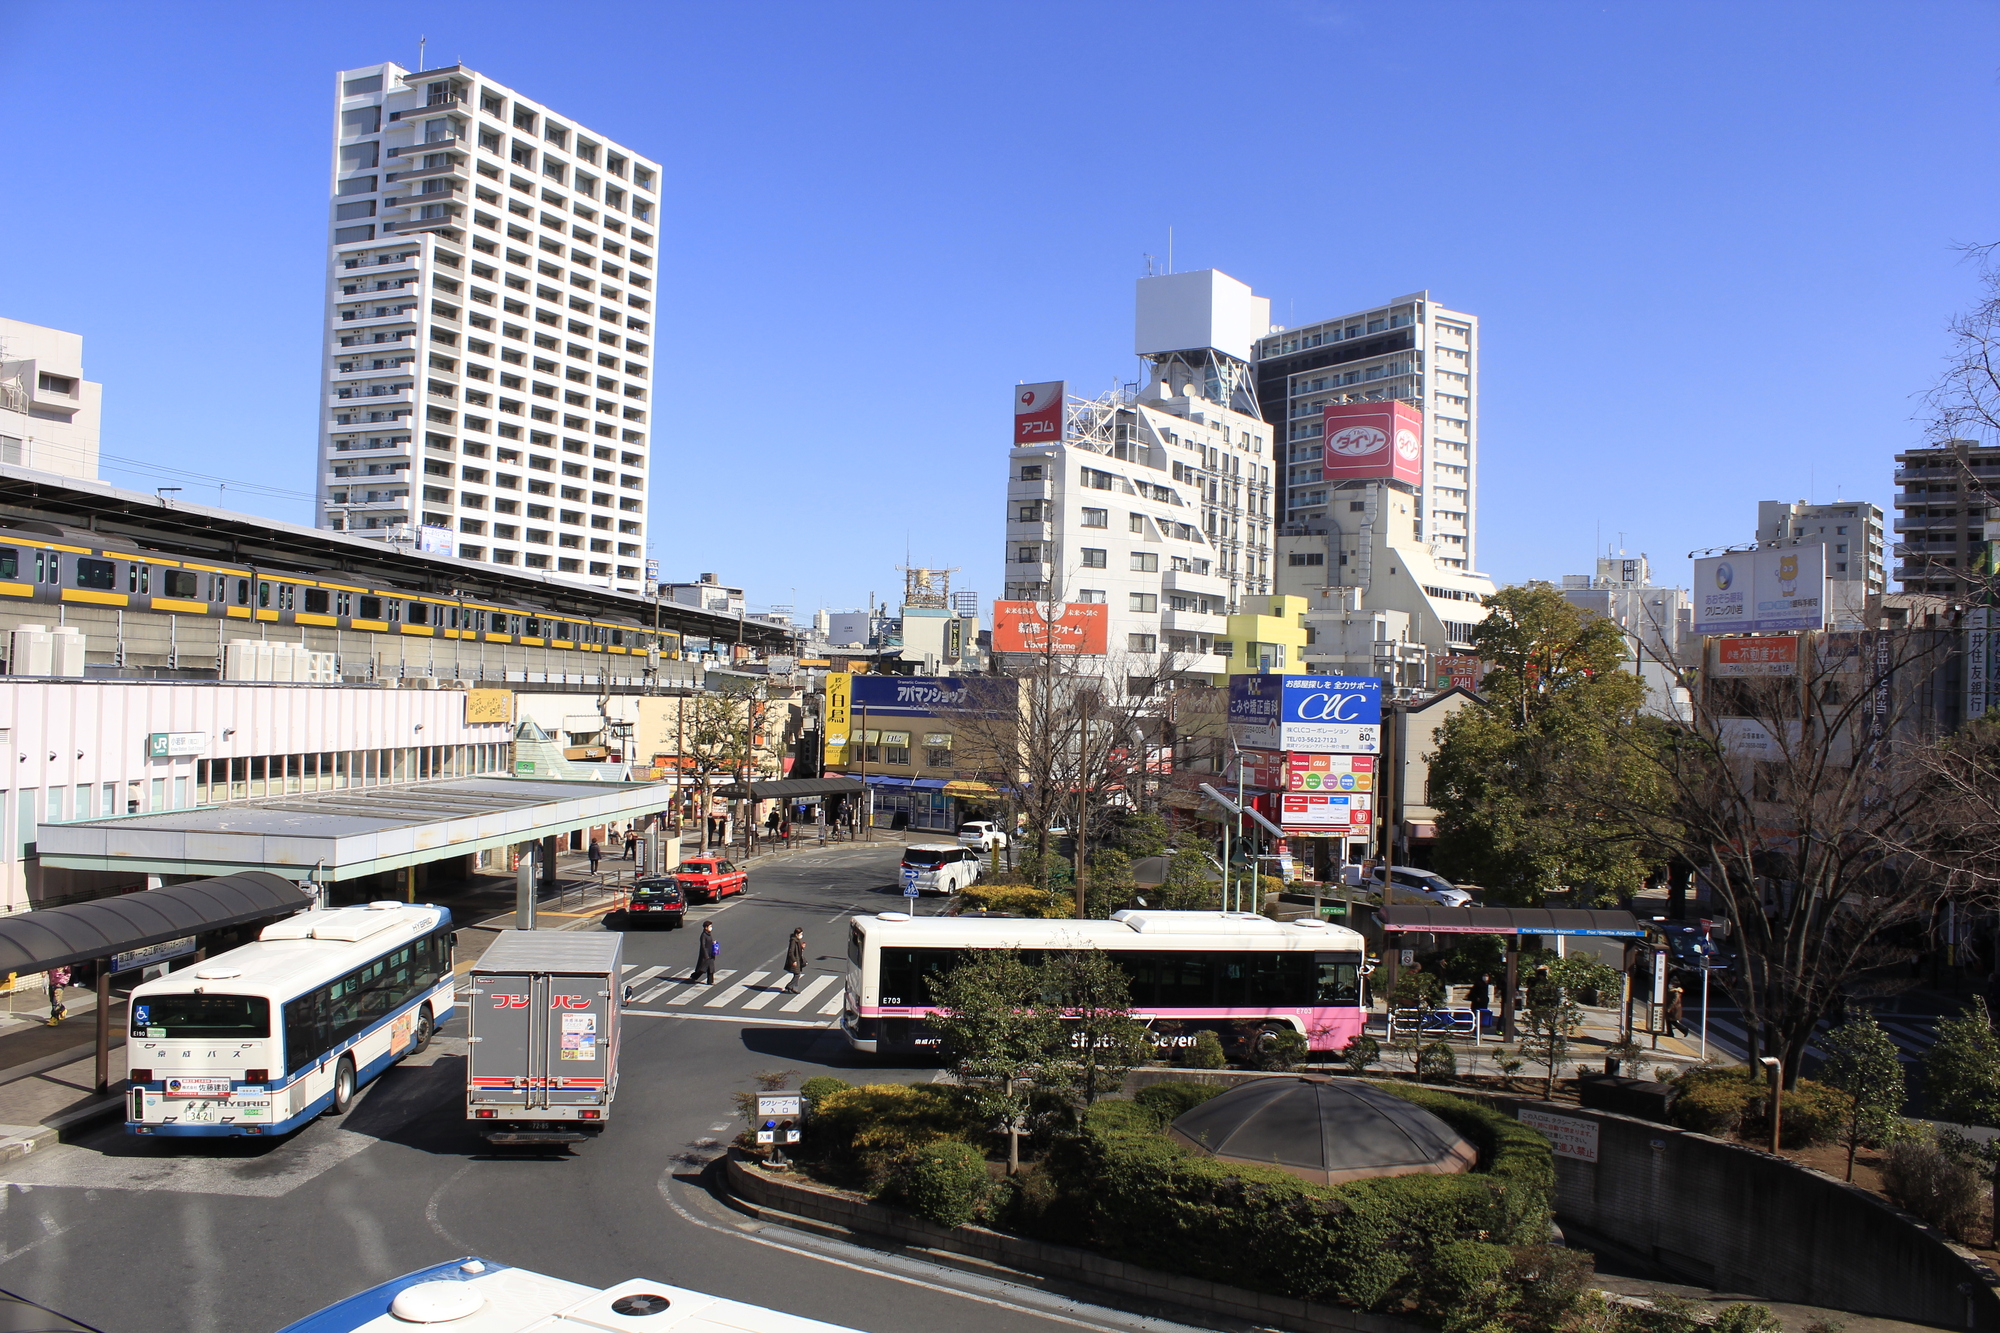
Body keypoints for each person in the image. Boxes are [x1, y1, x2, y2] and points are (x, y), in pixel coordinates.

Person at [784, 927, 806, 993]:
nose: (801, 935)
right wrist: (793, 960)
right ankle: (790, 986)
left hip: (798, 959)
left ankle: (794, 988)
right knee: (797, 974)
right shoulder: (793, 941)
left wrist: (802, 947)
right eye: (800, 934)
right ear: (796, 934)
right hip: (795, 960)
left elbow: (799, 950)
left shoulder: (797, 940)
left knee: (797, 973)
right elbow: (791, 952)